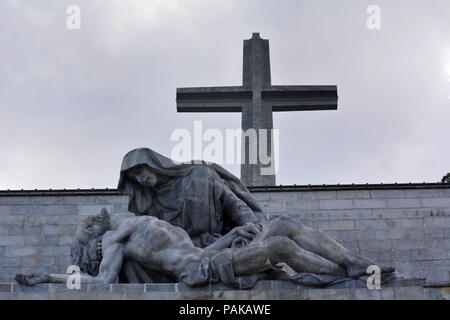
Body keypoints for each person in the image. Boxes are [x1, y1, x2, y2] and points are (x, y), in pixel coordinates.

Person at [15, 208, 395, 289]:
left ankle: (359, 265)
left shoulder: (131, 219)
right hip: (201, 272)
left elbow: (198, 247)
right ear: (94, 241)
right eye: (85, 230)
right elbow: (103, 282)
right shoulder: (117, 240)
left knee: (282, 224)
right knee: (277, 245)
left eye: (84, 225)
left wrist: (230, 237)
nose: (88, 221)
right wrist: (49, 278)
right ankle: (349, 275)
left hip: (211, 255)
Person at [118, 148, 266, 249]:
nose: (140, 179)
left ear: (153, 163)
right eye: (134, 178)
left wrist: (252, 225)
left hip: (216, 244)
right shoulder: (148, 203)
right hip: (174, 254)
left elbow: (234, 205)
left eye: (139, 171)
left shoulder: (199, 174)